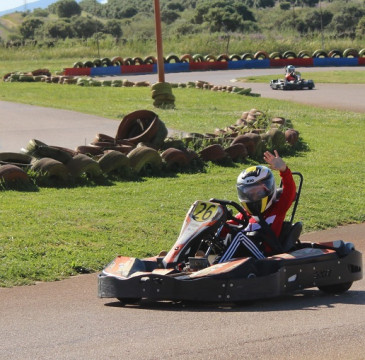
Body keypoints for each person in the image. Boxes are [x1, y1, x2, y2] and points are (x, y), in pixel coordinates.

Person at [218, 150, 296, 262]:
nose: (254, 196)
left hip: (265, 257)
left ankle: (216, 266)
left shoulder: (277, 210)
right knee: (219, 232)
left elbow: (290, 190)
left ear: (267, 189)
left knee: (238, 236)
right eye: (250, 193)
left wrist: (284, 170)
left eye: (258, 192)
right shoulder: (245, 215)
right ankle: (186, 263)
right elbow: (226, 228)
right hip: (245, 257)